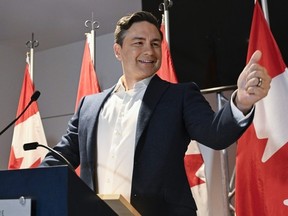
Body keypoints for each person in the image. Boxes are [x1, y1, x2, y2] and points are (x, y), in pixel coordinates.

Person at [40, 11, 271, 215]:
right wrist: (29, 182)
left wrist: (241, 101)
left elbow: (215, 134)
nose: (149, 51)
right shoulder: (88, 105)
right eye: (138, 43)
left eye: (155, 43)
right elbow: (60, 158)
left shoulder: (179, 96)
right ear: (118, 51)